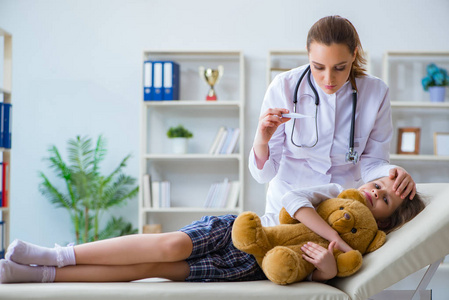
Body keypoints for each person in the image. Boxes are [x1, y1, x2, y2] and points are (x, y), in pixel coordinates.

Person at [0, 175, 425, 284]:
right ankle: (56, 255)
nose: (374, 194)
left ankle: (36, 274)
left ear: (384, 222)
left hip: (245, 268)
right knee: (166, 247)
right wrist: (330, 234)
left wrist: (328, 266)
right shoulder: (334, 193)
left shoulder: (363, 244)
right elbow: (293, 200)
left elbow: (310, 274)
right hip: (237, 230)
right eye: (377, 185)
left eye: (384, 198)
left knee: (153, 270)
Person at [249, 15, 417, 227]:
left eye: (340, 67)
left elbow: (372, 163)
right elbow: (264, 175)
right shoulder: (284, 86)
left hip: (342, 210)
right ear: (308, 54)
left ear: (354, 54)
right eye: (318, 67)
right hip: (286, 206)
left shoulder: (376, 92)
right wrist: (261, 142)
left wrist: (393, 173)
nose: (329, 79)